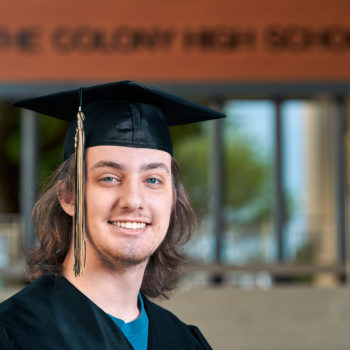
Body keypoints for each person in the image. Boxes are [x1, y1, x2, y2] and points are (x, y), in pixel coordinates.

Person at [0, 81, 225, 349]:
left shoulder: (185, 342)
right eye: (109, 178)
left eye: (153, 180)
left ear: (173, 200)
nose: (133, 200)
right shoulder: (13, 334)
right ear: (69, 196)